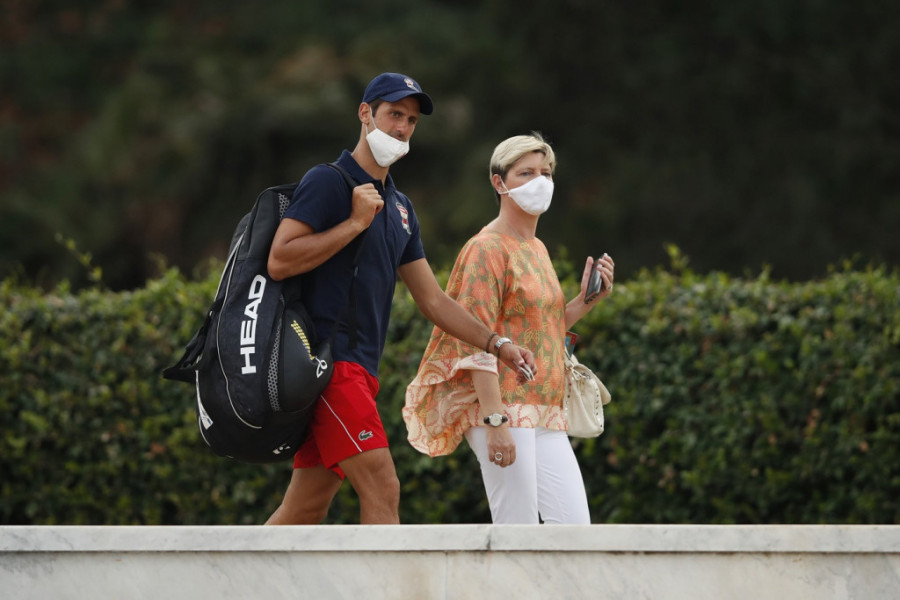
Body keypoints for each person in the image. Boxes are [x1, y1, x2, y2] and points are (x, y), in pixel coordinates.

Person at [264, 73, 537, 525]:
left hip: (360, 371)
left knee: (305, 507)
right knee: (382, 486)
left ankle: (230, 570)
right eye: (394, 114)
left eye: (411, 120)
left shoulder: (401, 207)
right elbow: (280, 259)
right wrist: (354, 223)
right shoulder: (328, 181)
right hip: (327, 367)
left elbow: (433, 300)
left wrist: (497, 343)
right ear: (365, 113)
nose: (402, 127)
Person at [403, 132, 615, 524]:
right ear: (499, 182)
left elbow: (543, 331)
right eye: (526, 173)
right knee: (516, 530)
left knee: (575, 532)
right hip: (502, 406)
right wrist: (494, 420)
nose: (540, 181)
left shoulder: (537, 248)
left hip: (545, 408)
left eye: (546, 173)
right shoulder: (486, 248)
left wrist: (588, 300)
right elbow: (475, 339)